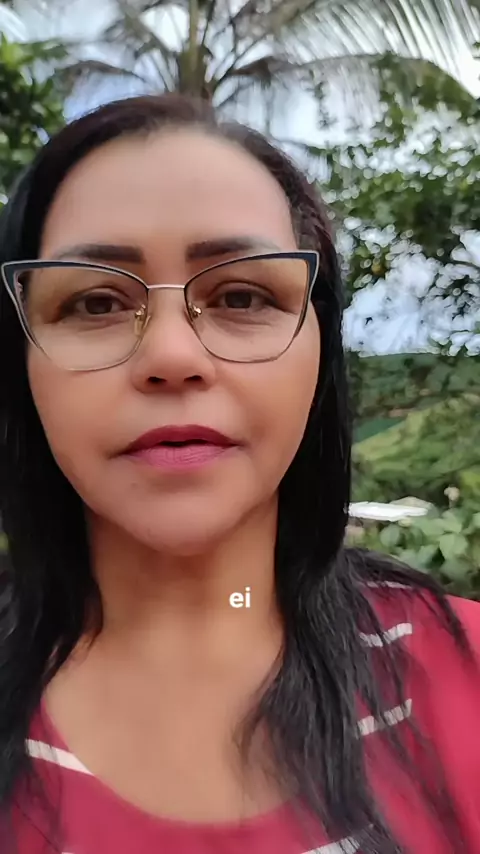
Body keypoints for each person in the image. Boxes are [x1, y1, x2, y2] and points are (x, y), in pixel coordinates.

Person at [0, 93, 478, 854]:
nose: (171, 357)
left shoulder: (466, 673)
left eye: (243, 295)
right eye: (94, 302)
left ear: (320, 351)